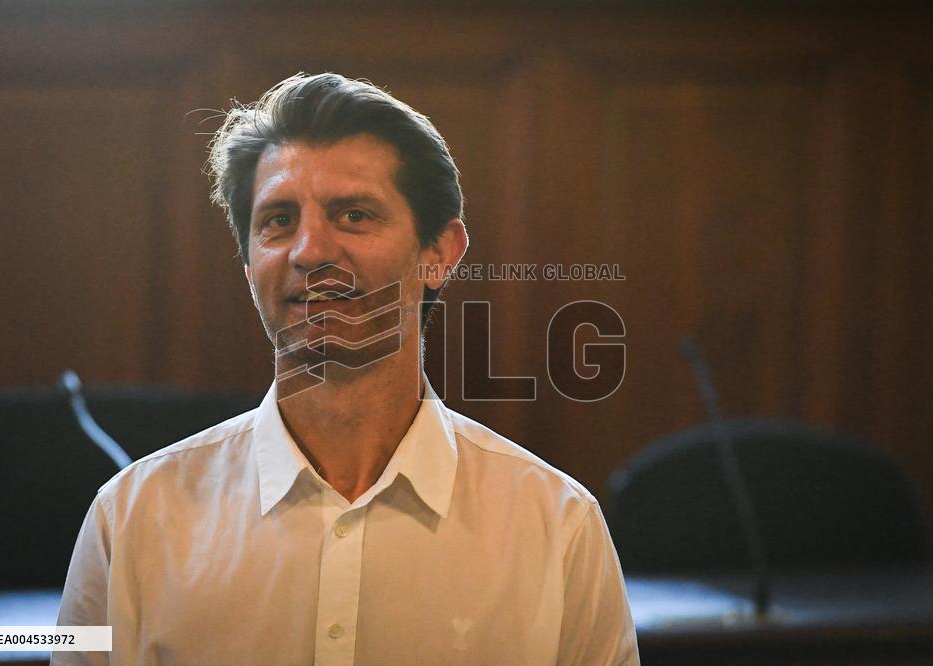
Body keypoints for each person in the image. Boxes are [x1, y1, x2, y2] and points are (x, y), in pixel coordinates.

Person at [54, 73, 639, 665]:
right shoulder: (129, 520)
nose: (310, 251)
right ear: (248, 258)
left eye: (354, 214)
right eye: (278, 220)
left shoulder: (559, 528)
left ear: (440, 253)